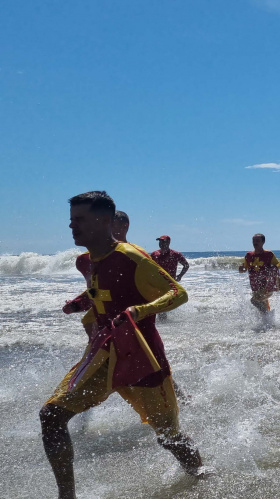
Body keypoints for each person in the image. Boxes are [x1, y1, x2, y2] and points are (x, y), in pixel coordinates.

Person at [42, 191, 202, 499]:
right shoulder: (86, 260)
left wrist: (140, 311)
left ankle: (201, 475)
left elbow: (178, 293)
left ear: (103, 221)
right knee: (51, 414)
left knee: (169, 438)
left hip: (141, 355)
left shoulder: (133, 257)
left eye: (80, 220)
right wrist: (77, 303)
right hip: (102, 353)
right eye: (72, 220)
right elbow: (102, 291)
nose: (72, 227)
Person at [238, 233, 280, 314]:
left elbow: (278, 264)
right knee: (262, 303)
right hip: (255, 286)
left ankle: (267, 316)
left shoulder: (269, 254)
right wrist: (241, 269)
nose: (255, 243)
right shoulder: (249, 255)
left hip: (267, 284)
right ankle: (268, 319)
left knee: (254, 301)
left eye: (257, 241)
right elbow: (244, 269)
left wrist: (273, 268)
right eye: (254, 241)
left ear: (263, 242)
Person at [151, 235, 190, 321]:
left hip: (170, 283)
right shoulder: (154, 254)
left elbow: (186, 265)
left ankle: (164, 324)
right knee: (159, 303)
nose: (161, 243)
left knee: (164, 304)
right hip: (157, 282)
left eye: (163, 241)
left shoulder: (175, 254)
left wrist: (180, 276)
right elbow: (149, 267)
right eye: (160, 242)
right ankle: (162, 323)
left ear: (168, 242)